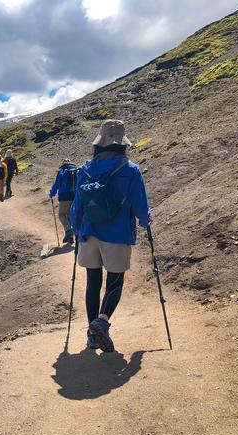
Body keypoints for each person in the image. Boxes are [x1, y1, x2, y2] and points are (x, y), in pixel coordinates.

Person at [71, 119, 151, 353]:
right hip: (117, 234)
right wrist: (146, 221)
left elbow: (78, 206)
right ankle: (102, 322)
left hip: (89, 232)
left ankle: (92, 333)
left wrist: (77, 230)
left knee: (92, 282)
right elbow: (140, 205)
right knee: (114, 282)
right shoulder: (130, 169)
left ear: (100, 142)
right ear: (122, 143)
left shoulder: (86, 168)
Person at [49, 159, 78, 244]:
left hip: (64, 196)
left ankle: (69, 231)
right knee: (70, 215)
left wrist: (52, 193)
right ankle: (71, 237)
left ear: (63, 163)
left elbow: (57, 184)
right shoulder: (75, 170)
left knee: (61, 215)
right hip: (74, 196)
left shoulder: (62, 171)